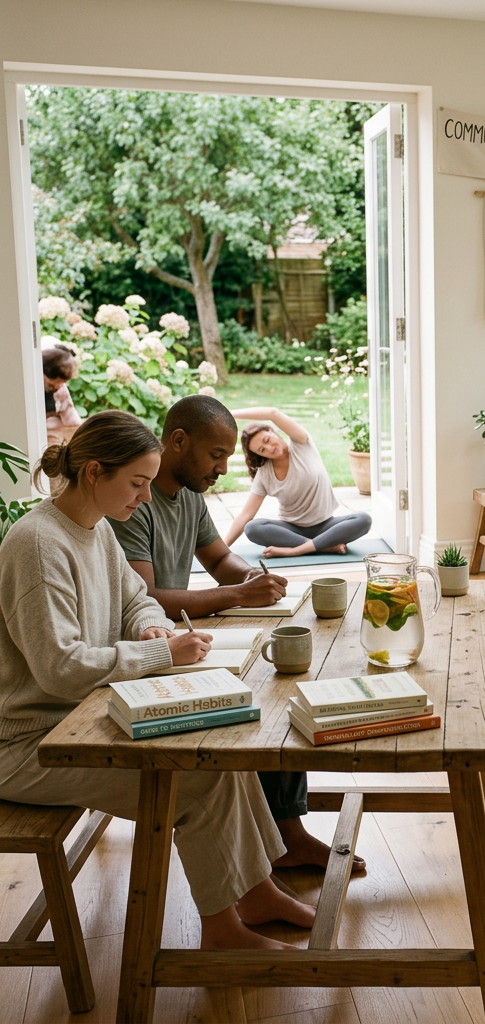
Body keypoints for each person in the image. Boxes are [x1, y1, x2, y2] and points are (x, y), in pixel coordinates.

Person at [0, 410, 316, 950]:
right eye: (138, 483)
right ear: (95, 472)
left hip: (85, 717)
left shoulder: (94, 528)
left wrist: (148, 622)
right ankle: (222, 931)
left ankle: (256, 892)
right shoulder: (37, 543)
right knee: (197, 778)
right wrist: (158, 654)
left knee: (221, 751)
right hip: (31, 745)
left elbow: (135, 597)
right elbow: (59, 667)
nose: (146, 497)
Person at [107, 396, 361, 874]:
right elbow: (146, 599)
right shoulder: (133, 503)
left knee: (284, 686)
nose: (225, 467)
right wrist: (237, 597)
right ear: (178, 442)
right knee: (262, 697)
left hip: (182, 634)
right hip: (150, 644)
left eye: (226, 456)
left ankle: (285, 833)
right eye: (216, 454)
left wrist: (250, 579)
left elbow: (220, 560)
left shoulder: (188, 496)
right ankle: (279, 837)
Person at [224, 407, 371, 558]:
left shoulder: (301, 443)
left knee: (363, 520)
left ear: (272, 431)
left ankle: (297, 550)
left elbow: (272, 413)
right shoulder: (264, 473)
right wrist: (222, 548)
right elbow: (246, 515)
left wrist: (228, 413)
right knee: (252, 528)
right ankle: (324, 546)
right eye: (262, 450)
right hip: (291, 530)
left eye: (267, 440)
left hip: (326, 526)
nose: (269, 448)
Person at [41, 344, 83, 447]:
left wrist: (63, 397)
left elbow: (73, 422)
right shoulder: (35, 391)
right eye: (51, 384)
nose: (56, 387)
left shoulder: (60, 390)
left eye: (62, 383)